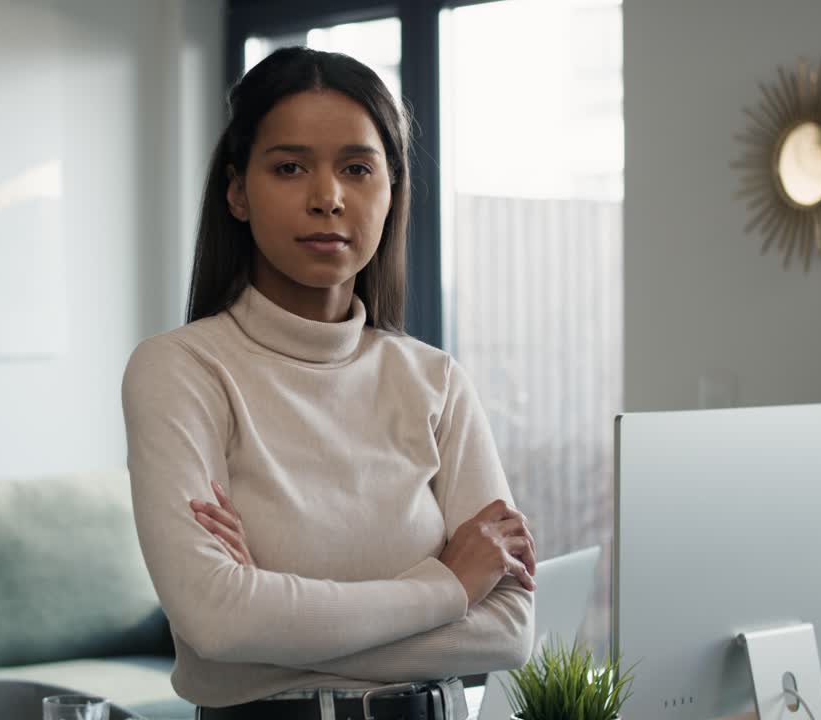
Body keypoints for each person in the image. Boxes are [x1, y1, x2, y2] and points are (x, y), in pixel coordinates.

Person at [121, 46, 536, 720]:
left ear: (392, 190)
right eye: (289, 167)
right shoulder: (181, 370)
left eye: (357, 168)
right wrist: (450, 586)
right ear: (237, 192)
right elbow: (217, 623)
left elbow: (510, 629)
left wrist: (273, 630)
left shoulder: (436, 381)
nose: (327, 198)